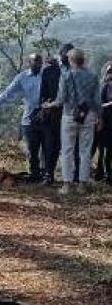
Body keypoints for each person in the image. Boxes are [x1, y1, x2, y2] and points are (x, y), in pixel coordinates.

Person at [43, 49, 102, 195]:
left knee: (68, 150)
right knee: (85, 150)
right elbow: (96, 101)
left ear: (71, 60)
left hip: (69, 115)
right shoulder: (93, 76)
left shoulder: (66, 75)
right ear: (83, 60)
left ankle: (67, 185)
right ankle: (82, 184)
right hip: (88, 116)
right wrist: (99, 117)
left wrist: (49, 105)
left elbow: (61, 99)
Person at [0, 54, 45, 182]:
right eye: (35, 62)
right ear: (29, 62)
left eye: (39, 62)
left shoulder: (47, 75)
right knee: (32, 149)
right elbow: (8, 93)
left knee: (47, 149)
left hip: (46, 118)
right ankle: (34, 175)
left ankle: (46, 175)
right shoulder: (22, 77)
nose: (38, 65)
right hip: (29, 118)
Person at [38, 55, 63, 185]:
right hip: (61, 114)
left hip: (53, 112)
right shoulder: (74, 71)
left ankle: (49, 174)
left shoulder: (49, 71)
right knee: (56, 146)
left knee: (51, 145)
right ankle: (50, 174)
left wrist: (44, 105)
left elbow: (42, 95)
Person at [97, 64, 112, 184]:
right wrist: (109, 104)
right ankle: (105, 174)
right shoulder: (104, 88)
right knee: (104, 151)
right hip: (106, 124)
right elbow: (99, 105)